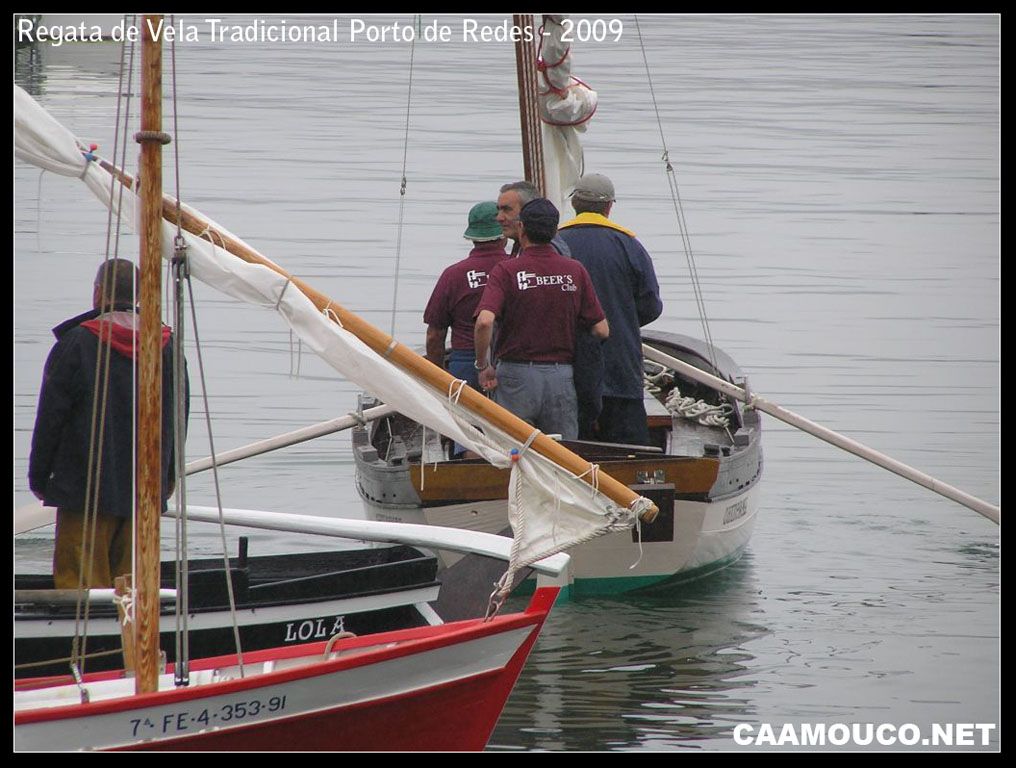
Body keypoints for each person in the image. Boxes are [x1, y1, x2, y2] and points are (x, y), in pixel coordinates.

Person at [29, 258, 188, 590]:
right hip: (144, 492)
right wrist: (166, 480)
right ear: (141, 295)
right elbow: (178, 420)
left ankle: (83, 643)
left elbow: (51, 419)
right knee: (133, 592)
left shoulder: (76, 344)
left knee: (81, 589)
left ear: (98, 293)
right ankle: (130, 642)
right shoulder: (168, 347)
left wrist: (40, 477)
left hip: (83, 492)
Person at [474, 198, 608, 440]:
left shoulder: (507, 270)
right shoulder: (575, 270)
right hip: (561, 377)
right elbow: (601, 330)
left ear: (522, 228)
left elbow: (484, 321)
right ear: (555, 231)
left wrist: (483, 365)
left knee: (512, 451)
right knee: (563, 456)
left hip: (516, 377)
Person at [558, 173, 664, 445]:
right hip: (619, 362)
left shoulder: (556, 244)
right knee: (629, 448)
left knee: (572, 442)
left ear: (575, 205)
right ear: (609, 208)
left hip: (566, 364)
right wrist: (622, 320)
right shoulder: (629, 245)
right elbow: (651, 305)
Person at [423, 200, 508, 391]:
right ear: (504, 235)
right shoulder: (517, 270)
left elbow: (434, 335)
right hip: (511, 364)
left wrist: (439, 379)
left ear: (472, 236)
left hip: (465, 367)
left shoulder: (453, 275)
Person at [495, 180, 572, 258]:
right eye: (498, 210)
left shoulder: (544, 253)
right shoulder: (523, 246)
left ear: (529, 210)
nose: (499, 218)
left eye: (507, 209)